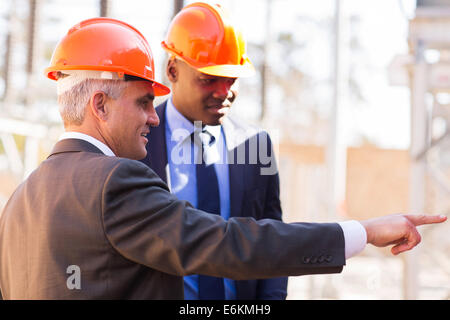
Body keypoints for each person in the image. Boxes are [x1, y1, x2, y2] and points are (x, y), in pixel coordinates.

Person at [0, 17, 446, 300]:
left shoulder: (19, 201)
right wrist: (363, 232)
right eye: (141, 103)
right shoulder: (115, 180)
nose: (151, 118)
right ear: (99, 104)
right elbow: (226, 241)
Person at [139, 2, 287, 300]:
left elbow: (272, 240)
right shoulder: (136, 142)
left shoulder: (256, 145)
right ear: (172, 71)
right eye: (208, 80)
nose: (224, 92)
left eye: (230, 79)